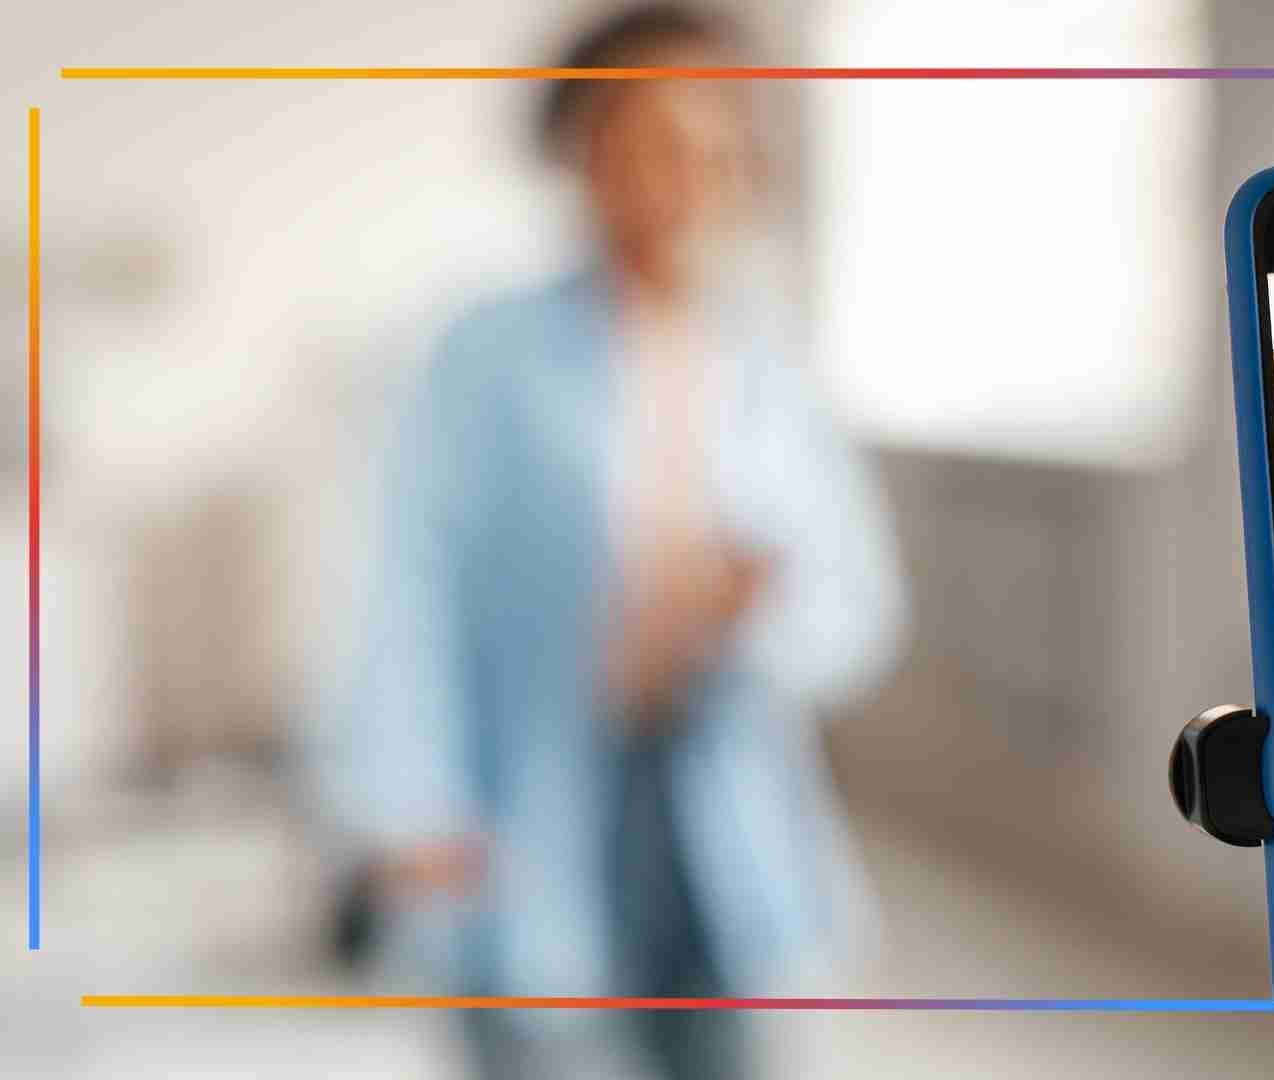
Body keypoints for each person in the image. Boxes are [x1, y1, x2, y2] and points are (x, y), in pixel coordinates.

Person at [312, 6, 907, 1078]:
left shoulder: (769, 360)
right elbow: (405, 587)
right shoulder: (485, 356)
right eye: (647, 138)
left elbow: (853, 609)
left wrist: (749, 617)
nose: (682, 172)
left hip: (718, 815)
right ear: (579, 150)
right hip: (529, 809)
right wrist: (410, 803)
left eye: (712, 140)